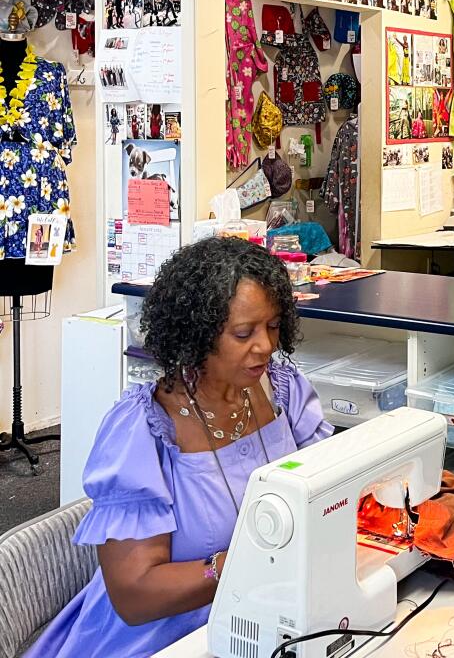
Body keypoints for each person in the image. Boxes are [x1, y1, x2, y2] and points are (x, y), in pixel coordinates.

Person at [24, 238, 333, 658]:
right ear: (197, 334)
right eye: (243, 333)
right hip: (162, 639)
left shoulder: (283, 391)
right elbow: (135, 597)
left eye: (274, 326)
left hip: (263, 618)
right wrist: (240, 564)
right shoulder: (144, 431)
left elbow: (329, 487)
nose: (265, 345)